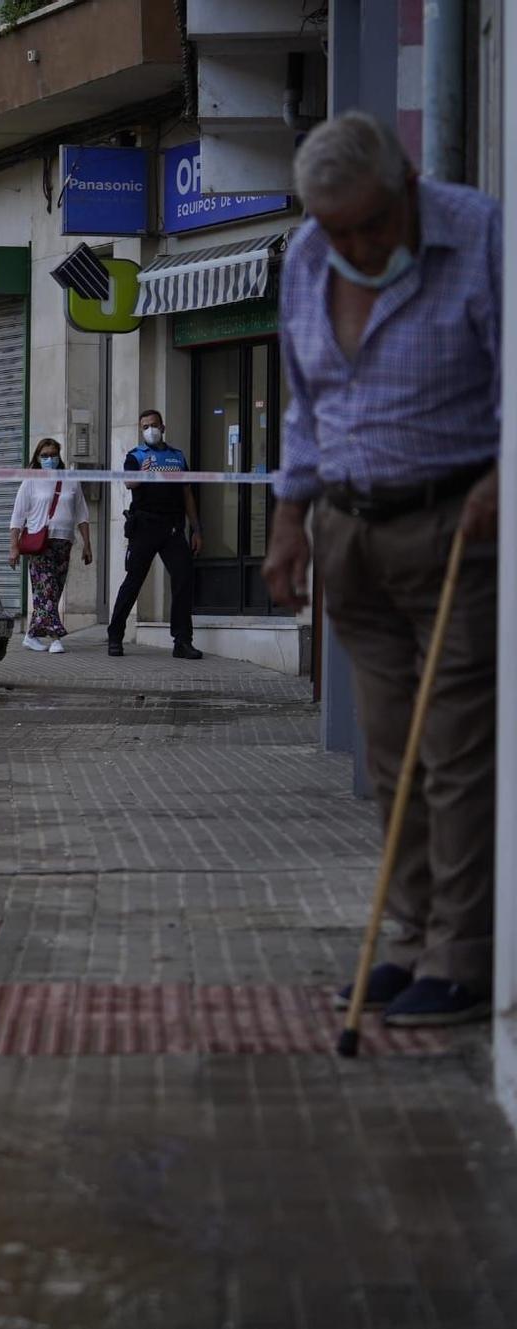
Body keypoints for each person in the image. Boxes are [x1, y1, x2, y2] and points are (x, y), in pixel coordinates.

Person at [261, 112, 500, 1028]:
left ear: (406, 187)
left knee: (458, 751)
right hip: (348, 531)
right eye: (338, 231)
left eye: (371, 225)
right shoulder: (307, 262)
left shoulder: (482, 235)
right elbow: (305, 403)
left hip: (452, 528)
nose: (358, 247)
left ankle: (466, 955)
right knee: (395, 754)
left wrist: (502, 477)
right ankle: (411, 939)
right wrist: (289, 516)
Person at [105, 408, 202, 659]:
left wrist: (197, 529)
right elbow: (129, 483)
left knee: (183, 579)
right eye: (145, 426)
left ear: (163, 427)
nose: (150, 430)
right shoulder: (136, 456)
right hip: (145, 526)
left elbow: (187, 494)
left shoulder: (177, 457)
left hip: (172, 528)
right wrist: (143, 474)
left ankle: (182, 641)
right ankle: (115, 635)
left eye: (154, 425)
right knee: (133, 582)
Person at [6, 437, 92, 653]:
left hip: (64, 542)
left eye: (53, 455)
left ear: (59, 456)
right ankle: (55, 637)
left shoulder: (70, 480)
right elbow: (17, 516)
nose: (49, 459)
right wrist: (14, 547)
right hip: (39, 543)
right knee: (46, 589)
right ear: (37, 457)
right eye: (44, 456)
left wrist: (87, 544)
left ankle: (31, 635)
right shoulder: (31, 481)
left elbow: (82, 514)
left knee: (53, 591)